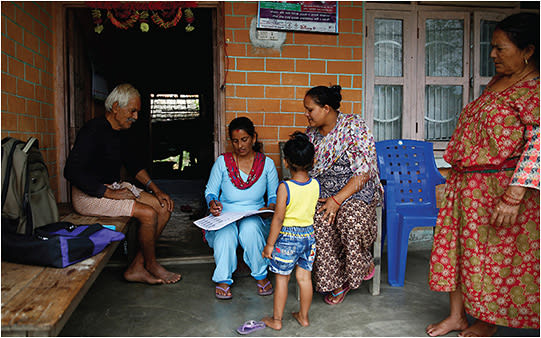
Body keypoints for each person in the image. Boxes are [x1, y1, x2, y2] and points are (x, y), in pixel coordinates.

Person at [426, 13, 540, 337]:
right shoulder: (498, 82)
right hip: (467, 185)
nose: (492, 54)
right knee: (458, 251)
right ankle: (457, 316)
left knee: (492, 259)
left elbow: (538, 146)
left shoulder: (535, 90)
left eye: (500, 48)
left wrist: (514, 196)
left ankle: (486, 320)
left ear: (527, 50)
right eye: (493, 47)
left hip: (499, 191)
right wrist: (450, 175)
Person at [64, 83, 181, 285]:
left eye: (137, 112)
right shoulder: (93, 130)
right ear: (116, 107)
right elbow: (71, 171)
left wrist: (157, 190)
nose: (135, 117)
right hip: (88, 195)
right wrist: (107, 193)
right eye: (132, 111)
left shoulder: (122, 133)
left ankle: (137, 266)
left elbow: (134, 166)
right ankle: (152, 265)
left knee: (163, 207)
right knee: (148, 213)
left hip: (113, 188)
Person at [303, 85, 382, 305]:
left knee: (351, 219)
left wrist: (337, 200)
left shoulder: (353, 126)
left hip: (356, 191)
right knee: (319, 223)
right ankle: (337, 283)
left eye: (310, 110)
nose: (306, 114)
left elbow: (364, 171)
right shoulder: (311, 136)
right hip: (324, 195)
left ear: (326, 108)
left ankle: (362, 263)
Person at [205, 116, 279, 299]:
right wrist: (213, 203)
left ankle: (261, 275)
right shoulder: (223, 162)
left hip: (254, 214)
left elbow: (274, 195)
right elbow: (211, 191)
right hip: (226, 213)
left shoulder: (267, 164)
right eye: (235, 141)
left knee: (250, 229)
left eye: (244, 139)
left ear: (254, 138)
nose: (240, 146)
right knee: (225, 233)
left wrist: (269, 207)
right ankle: (223, 278)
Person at [261, 132, 319, 330]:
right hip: (309, 237)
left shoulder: (285, 187)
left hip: (287, 238)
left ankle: (276, 321)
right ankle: (303, 317)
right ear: (313, 160)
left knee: (282, 279)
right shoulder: (315, 185)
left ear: (286, 162)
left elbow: (278, 218)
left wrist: (270, 244)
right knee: (304, 278)